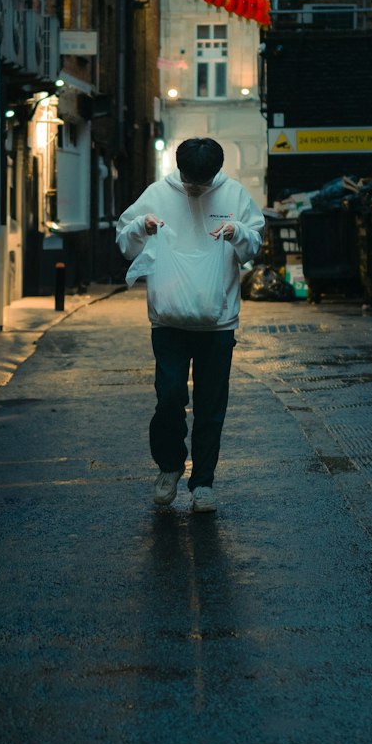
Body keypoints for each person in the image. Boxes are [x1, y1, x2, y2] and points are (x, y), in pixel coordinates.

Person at [116, 137, 265, 513]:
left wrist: (238, 232)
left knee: (211, 405)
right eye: (190, 179)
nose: (195, 187)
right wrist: (142, 225)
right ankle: (169, 467)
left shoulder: (234, 195)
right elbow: (124, 239)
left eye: (203, 180)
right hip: (168, 320)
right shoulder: (158, 193)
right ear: (179, 169)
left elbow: (254, 244)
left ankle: (203, 483)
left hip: (218, 321)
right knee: (169, 397)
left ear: (216, 172)